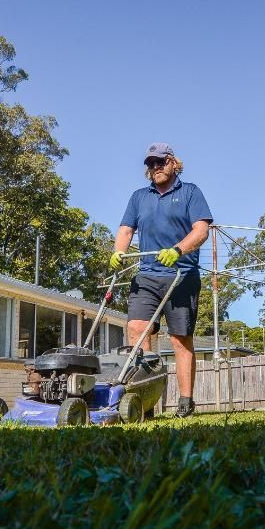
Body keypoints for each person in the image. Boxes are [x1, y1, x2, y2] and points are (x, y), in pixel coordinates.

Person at [110, 142, 212, 418]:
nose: (155, 167)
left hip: (182, 276)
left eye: (160, 162)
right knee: (137, 329)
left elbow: (201, 230)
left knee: (180, 339)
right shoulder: (139, 197)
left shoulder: (190, 192)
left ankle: (185, 402)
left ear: (173, 163)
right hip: (147, 275)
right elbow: (125, 229)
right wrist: (118, 252)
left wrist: (178, 250)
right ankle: (145, 403)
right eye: (150, 164)